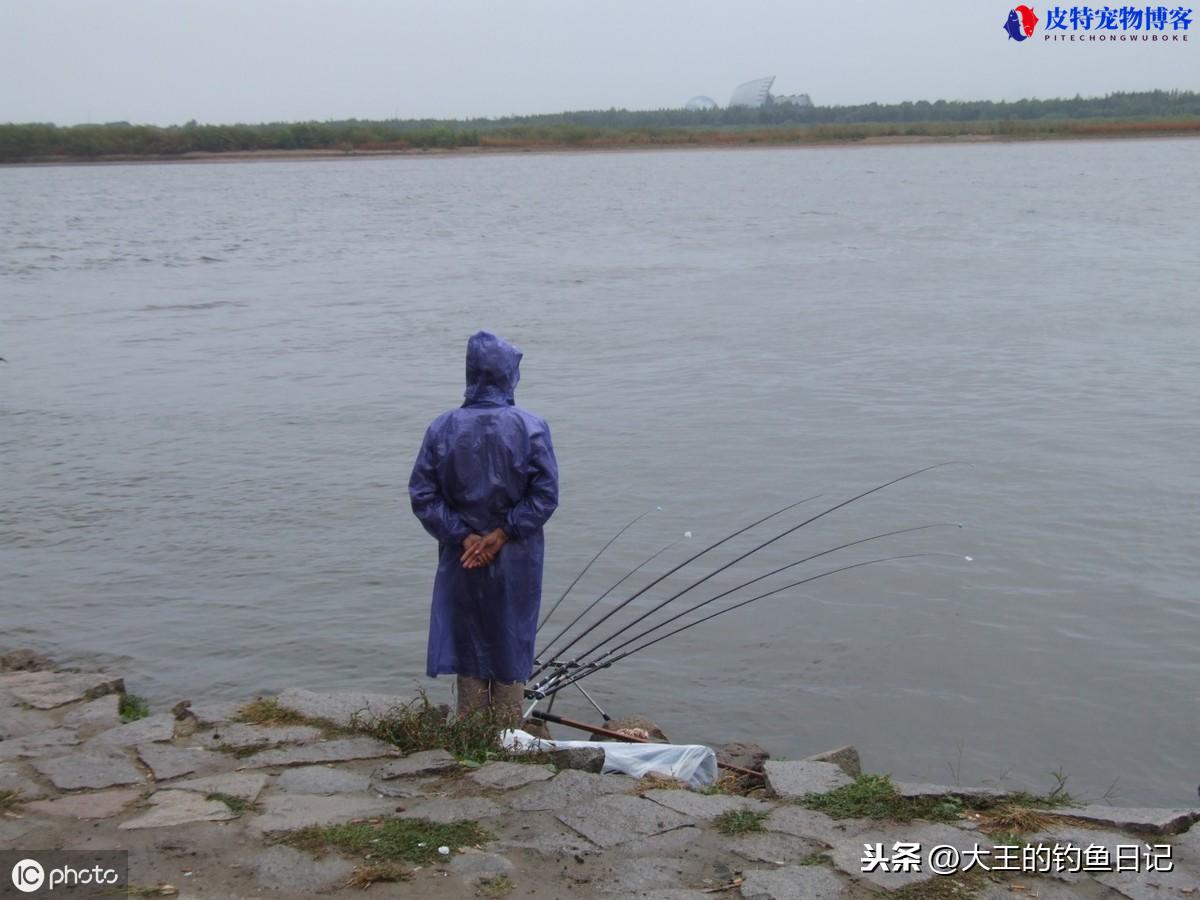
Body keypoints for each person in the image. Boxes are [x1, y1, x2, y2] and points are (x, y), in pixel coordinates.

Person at [408, 331, 559, 722]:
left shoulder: (442, 428)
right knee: (512, 635)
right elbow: (544, 495)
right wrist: (503, 533)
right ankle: (507, 730)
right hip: (516, 555)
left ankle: (472, 727)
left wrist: (464, 536)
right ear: (509, 374)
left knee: (469, 635)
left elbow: (423, 495)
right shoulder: (531, 427)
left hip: (463, 555)